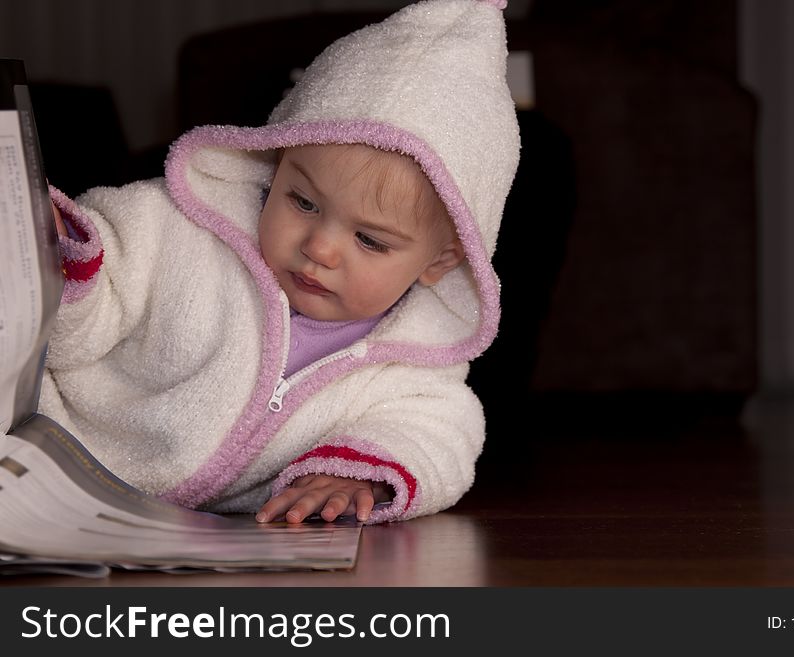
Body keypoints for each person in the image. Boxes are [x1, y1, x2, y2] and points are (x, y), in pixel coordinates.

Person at [42, 0, 519, 525]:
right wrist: (64, 261)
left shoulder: (415, 356)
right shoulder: (172, 231)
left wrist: (357, 473)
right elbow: (70, 327)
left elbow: (440, 430)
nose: (320, 248)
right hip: (51, 457)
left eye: (370, 240)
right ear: (277, 158)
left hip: (198, 540)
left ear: (441, 261)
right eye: (303, 202)